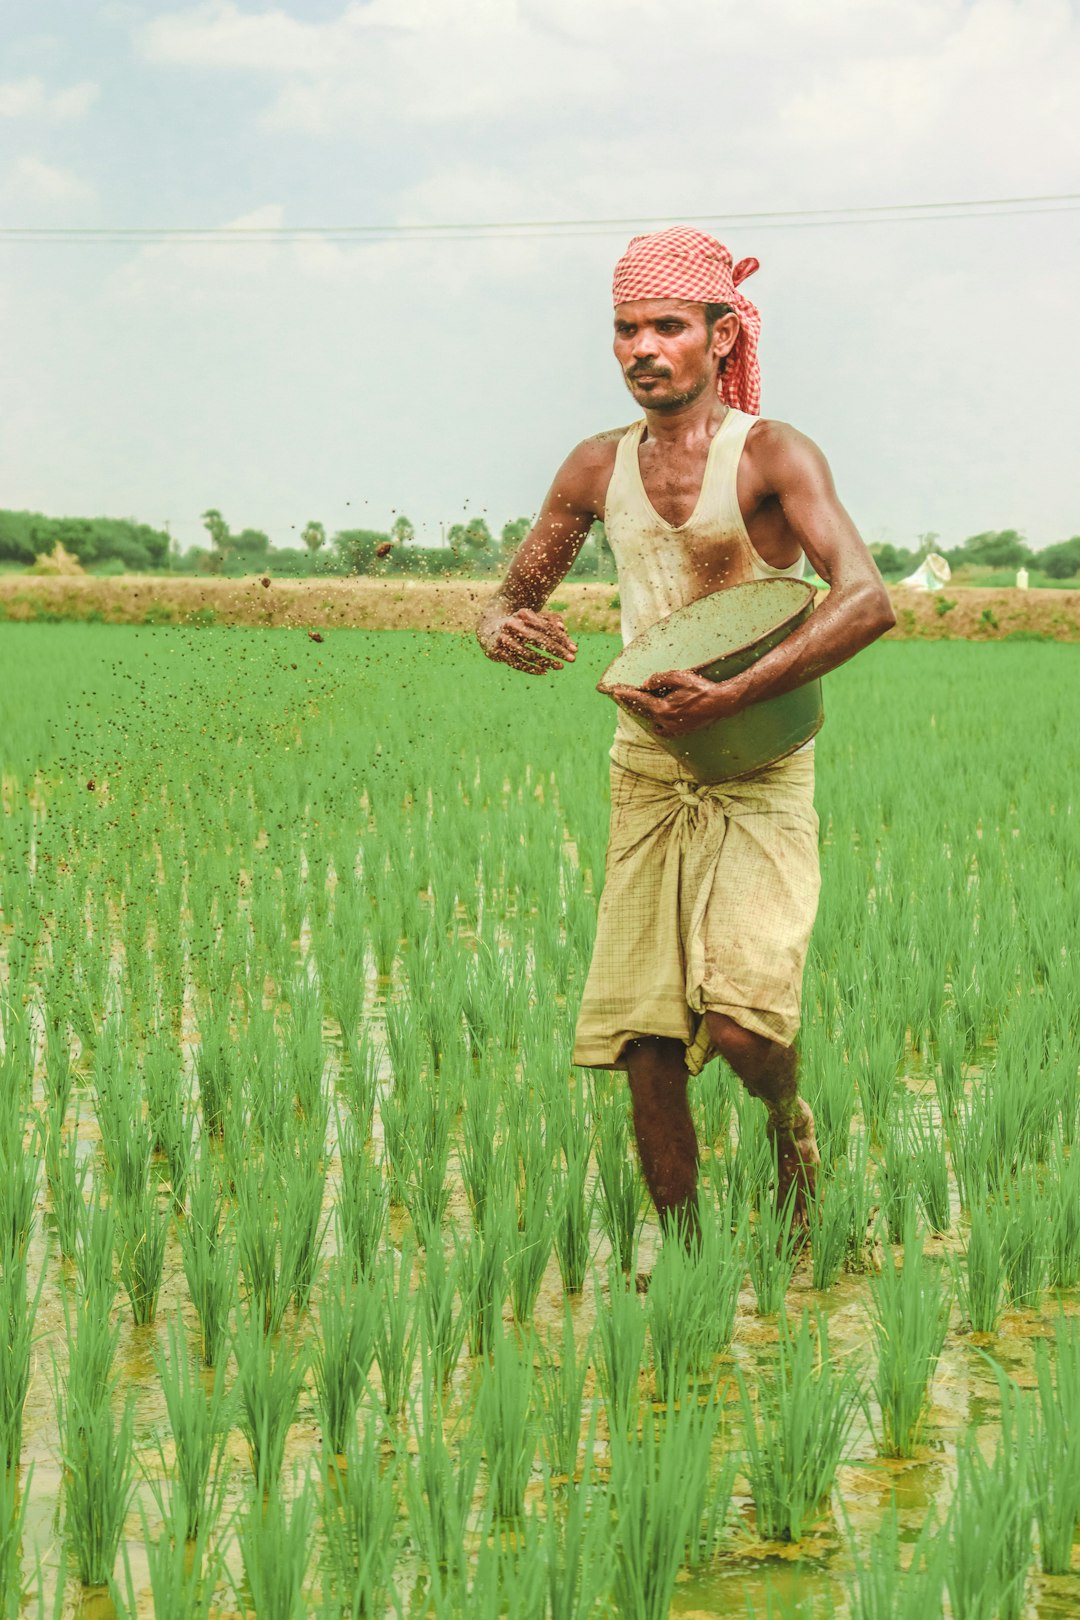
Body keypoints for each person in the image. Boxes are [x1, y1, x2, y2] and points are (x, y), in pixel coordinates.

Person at [476, 226, 894, 1249]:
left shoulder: (772, 454)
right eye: (626, 330)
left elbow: (867, 599)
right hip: (650, 770)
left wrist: (733, 691)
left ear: (721, 334)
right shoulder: (595, 467)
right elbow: (513, 593)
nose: (642, 349)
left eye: (666, 326)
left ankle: (788, 1125)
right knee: (646, 1042)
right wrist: (500, 624)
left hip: (760, 767)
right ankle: (690, 1265)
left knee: (745, 1027)